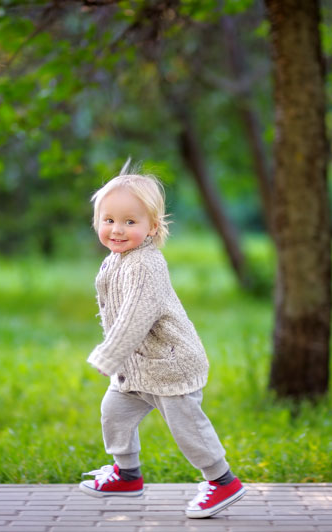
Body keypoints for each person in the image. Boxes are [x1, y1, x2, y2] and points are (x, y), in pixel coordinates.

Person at [79, 161, 246, 519]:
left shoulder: (145, 264)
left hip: (169, 365)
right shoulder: (116, 261)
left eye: (130, 222)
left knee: (188, 428)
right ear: (97, 223)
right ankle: (127, 475)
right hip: (137, 370)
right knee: (114, 413)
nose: (117, 230)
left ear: (152, 227)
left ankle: (222, 481)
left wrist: (109, 355)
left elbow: (135, 318)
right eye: (109, 220)